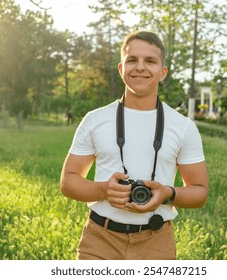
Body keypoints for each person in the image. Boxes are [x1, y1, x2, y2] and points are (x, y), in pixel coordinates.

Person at [60, 31, 208, 260]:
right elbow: (68, 181)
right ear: (121, 69)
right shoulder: (94, 119)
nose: (140, 67)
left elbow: (200, 192)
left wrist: (167, 193)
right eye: (132, 60)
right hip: (100, 239)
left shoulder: (183, 127)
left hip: (156, 241)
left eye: (150, 61)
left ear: (163, 72)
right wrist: (104, 190)